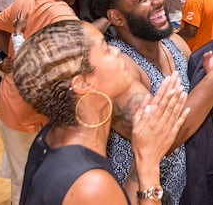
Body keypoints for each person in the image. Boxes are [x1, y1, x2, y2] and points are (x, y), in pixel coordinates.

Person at [90, 0, 213, 204]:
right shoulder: (118, 67)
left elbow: (206, 109)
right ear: (117, 17)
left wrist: (211, 78)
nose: (158, 0)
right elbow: (163, 139)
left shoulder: (174, 42)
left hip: (181, 184)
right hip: (139, 194)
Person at [13, 20, 190, 205]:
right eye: (105, 49)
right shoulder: (91, 185)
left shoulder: (51, 136)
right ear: (82, 83)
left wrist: (143, 155)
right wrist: (149, 166)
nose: (116, 51)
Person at [0, 0, 94, 205]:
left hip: (11, 101)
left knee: (23, 169)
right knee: (28, 177)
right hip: (34, 110)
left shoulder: (26, 0)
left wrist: (11, 57)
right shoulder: (64, 17)